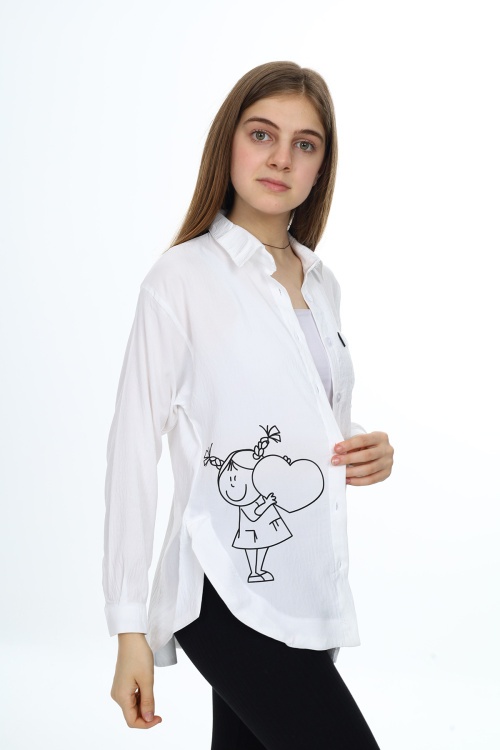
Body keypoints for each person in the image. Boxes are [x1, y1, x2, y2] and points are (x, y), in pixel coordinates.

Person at [103, 61, 394, 749]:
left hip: (305, 592)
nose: (281, 158)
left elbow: (292, 413)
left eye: (304, 144)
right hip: (224, 589)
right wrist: (128, 626)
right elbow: (132, 450)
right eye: (262, 134)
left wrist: (363, 445)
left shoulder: (320, 283)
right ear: (227, 142)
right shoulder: (180, 279)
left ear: (321, 166)